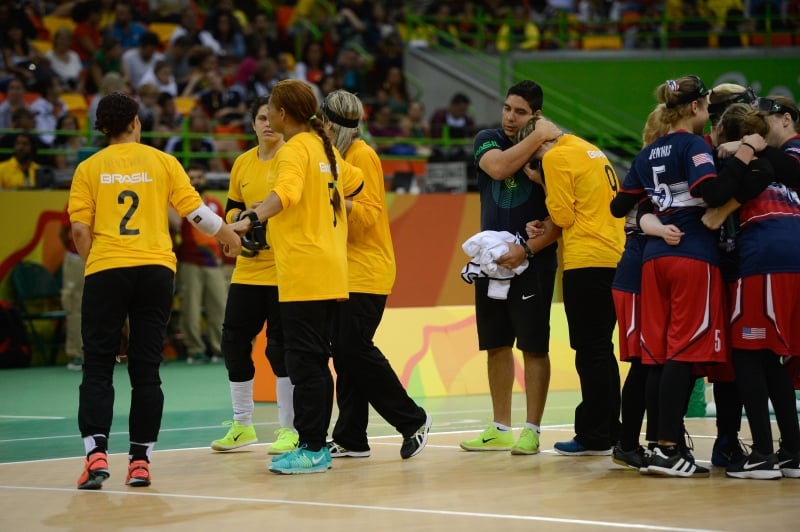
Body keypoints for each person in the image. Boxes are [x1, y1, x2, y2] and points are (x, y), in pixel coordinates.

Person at [68, 92, 241, 490]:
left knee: (97, 366)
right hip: (156, 270)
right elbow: (195, 213)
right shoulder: (164, 162)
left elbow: (80, 230)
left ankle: (95, 454)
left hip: (107, 269)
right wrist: (228, 235)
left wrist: (98, 268)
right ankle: (140, 461)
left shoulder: (88, 168)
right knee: (146, 371)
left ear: (104, 127)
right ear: (134, 123)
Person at [230, 79, 364, 474]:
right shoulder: (323, 149)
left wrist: (249, 218)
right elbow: (355, 180)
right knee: (315, 362)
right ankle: (315, 444)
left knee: (305, 362)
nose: (266, 114)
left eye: (270, 107)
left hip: (303, 269)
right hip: (330, 268)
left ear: (282, 113)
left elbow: (283, 195)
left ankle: (312, 447)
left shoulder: (293, 152)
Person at [616, 75, 730, 477]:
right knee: (683, 350)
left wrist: (653, 208)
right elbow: (711, 192)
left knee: (657, 355)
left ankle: (657, 445)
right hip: (691, 254)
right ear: (697, 108)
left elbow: (619, 206)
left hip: (653, 261)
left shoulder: (647, 154)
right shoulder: (693, 144)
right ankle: (668, 447)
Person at [320, 89, 432, 460]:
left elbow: (367, 214)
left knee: (353, 348)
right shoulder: (336, 156)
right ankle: (351, 436)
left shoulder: (361, 155)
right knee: (345, 354)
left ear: (330, 122)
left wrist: (331, 200)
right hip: (343, 270)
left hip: (366, 269)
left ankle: (412, 419)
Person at [459, 80, 561, 455]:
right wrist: (538, 138)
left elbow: (562, 214)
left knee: (534, 346)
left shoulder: (553, 151)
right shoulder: (488, 139)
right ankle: (500, 426)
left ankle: (532, 428)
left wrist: (529, 248)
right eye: (507, 108)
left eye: (520, 112)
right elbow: (499, 169)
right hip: (491, 260)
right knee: (496, 344)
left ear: (535, 114)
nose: (509, 117)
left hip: (533, 260)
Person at [519, 116, 626, 457]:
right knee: (602, 351)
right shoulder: (588, 149)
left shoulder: (554, 158)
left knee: (589, 351)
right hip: (615, 256)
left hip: (586, 260)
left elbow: (564, 217)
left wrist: (543, 183)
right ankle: (610, 428)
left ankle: (594, 434)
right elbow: (586, 205)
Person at [713, 97, 800, 479]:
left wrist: (736, 150)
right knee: (769, 357)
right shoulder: (775, 162)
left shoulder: (753, 161)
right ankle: (793, 452)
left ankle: (763, 453)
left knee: (747, 353)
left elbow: (715, 200)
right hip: (789, 255)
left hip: (766, 256)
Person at [210, 95, 298, 456]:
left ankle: (288, 430)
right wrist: (234, 227)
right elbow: (232, 207)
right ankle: (242, 424)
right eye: (259, 117)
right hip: (248, 269)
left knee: (280, 350)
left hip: (283, 270)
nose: (266, 123)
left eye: (270, 117)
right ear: (253, 124)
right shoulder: (242, 164)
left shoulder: (291, 159)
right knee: (233, 341)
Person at [170, 163, 228, 365]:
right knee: (191, 308)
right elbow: (176, 225)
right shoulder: (180, 204)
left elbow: (221, 231)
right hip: (189, 262)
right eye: (191, 178)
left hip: (214, 263)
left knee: (219, 307)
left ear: (205, 180)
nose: (195, 181)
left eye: (198, 177)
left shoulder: (214, 204)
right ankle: (195, 350)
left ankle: (219, 349)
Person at [60, 204, 85, 371]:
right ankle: (78, 354)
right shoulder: (77, 198)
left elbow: (63, 233)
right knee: (76, 307)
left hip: (104, 257)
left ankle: (79, 355)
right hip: (79, 258)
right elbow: (63, 232)